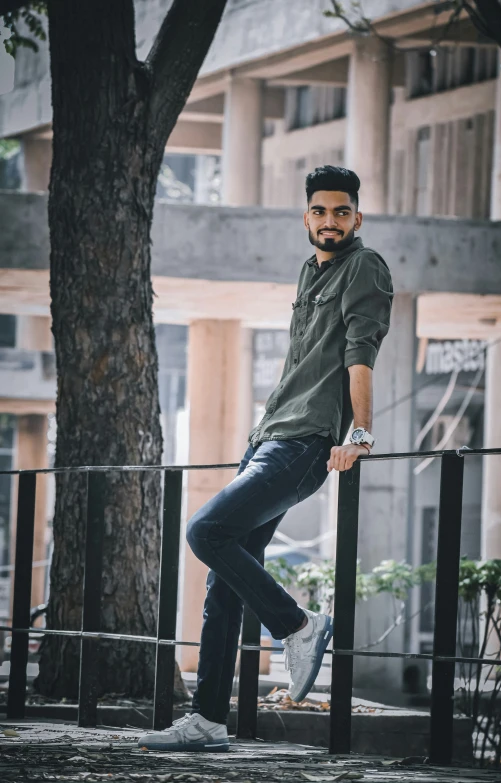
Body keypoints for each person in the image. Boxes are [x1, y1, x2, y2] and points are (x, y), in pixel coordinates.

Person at [138, 165, 394, 752]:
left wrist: (360, 435)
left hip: (303, 444)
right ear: (306, 217)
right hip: (268, 436)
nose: (330, 221)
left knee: (205, 531)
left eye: (342, 211)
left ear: (358, 218)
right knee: (224, 583)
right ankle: (206, 721)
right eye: (320, 211)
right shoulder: (311, 269)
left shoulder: (364, 268)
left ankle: (297, 626)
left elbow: (361, 354)